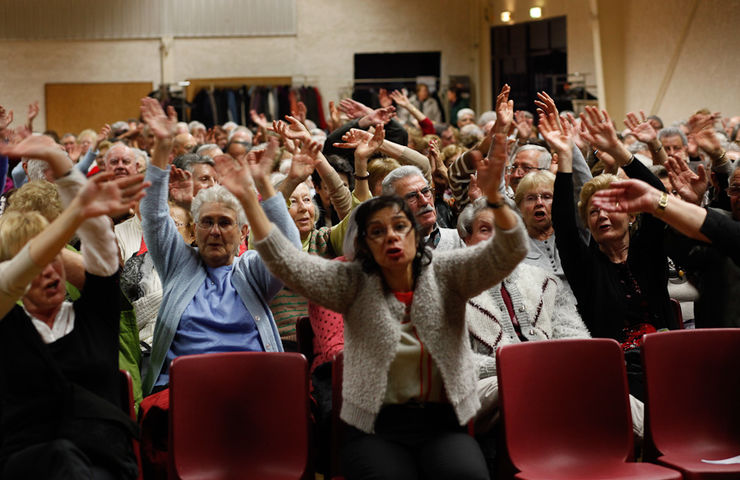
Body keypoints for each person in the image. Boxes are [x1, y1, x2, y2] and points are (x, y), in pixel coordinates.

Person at [217, 131, 527, 480]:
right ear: (364, 245)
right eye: (377, 231)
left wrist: (496, 198)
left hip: (443, 423)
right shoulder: (350, 282)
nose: (391, 236)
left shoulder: (446, 272)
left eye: (399, 227)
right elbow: (286, 261)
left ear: (415, 233)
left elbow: (510, 251)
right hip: (375, 427)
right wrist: (250, 196)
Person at [0, 137, 148, 479]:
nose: (49, 271)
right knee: (60, 458)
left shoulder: (94, 316)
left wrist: (63, 167)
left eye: (56, 260)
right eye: (36, 266)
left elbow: (103, 255)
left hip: (103, 460)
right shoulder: (9, 325)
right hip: (29, 462)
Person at [137, 98, 300, 396]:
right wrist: (162, 147)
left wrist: (263, 185)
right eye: (206, 222)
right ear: (194, 230)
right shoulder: (178, 264)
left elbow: (290, 254)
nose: (214, 231)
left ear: (242, 232)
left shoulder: (252, 270)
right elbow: (154, 215)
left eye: (225, 223)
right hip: (185, 391)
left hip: (251, 388)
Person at [545, 106, 674, 400]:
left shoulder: (647, 250)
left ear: (630, 215)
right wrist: (565, 157)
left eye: (610, 208)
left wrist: (621, 153)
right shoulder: (586, 267)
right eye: (593, 212)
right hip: (618, 377)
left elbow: (658, 193)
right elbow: (564, 225)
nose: (601, 217)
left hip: (669, 361)